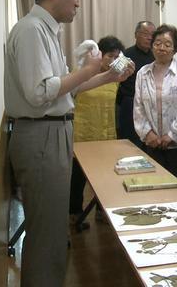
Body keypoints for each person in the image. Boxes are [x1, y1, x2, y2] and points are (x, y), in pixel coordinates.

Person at [4, 0, 133, 286]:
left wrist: (107, 75)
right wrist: (89, 69)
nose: (78, 1)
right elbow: (40, 92)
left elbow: (66, 88)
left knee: (51, 229)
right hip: (41, 135)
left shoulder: (44, 30)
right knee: (47, 233)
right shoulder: (32, 29)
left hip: (50, 133)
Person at [69, 36, 124, 224]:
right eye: (110, 55)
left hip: (106, 133)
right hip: (82, 133)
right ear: (99, 55)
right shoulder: (82, 74)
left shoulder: (117, 78)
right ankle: (74, 211)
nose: (113, 60)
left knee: (105, 176)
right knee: (77, 177)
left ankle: (102, 210)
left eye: (117, 57)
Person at [134, 24, 177, 186]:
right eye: (157, 43)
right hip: (152, 142)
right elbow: (138, 107)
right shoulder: (143, 73)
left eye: (167, 44)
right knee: (153, 186)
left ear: (175, 48)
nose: (162, 48)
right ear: (152, 45)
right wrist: (148, 134)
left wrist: (172, 136)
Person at [116, 21, 156, 148]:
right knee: (130, 144)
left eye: (152, 34)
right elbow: (114, 77)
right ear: (136, 35)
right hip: (130, 104)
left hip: (152, 105)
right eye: (145, 34)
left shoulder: (157, 56)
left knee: (149, 143)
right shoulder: (125, 56)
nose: (149, 37)